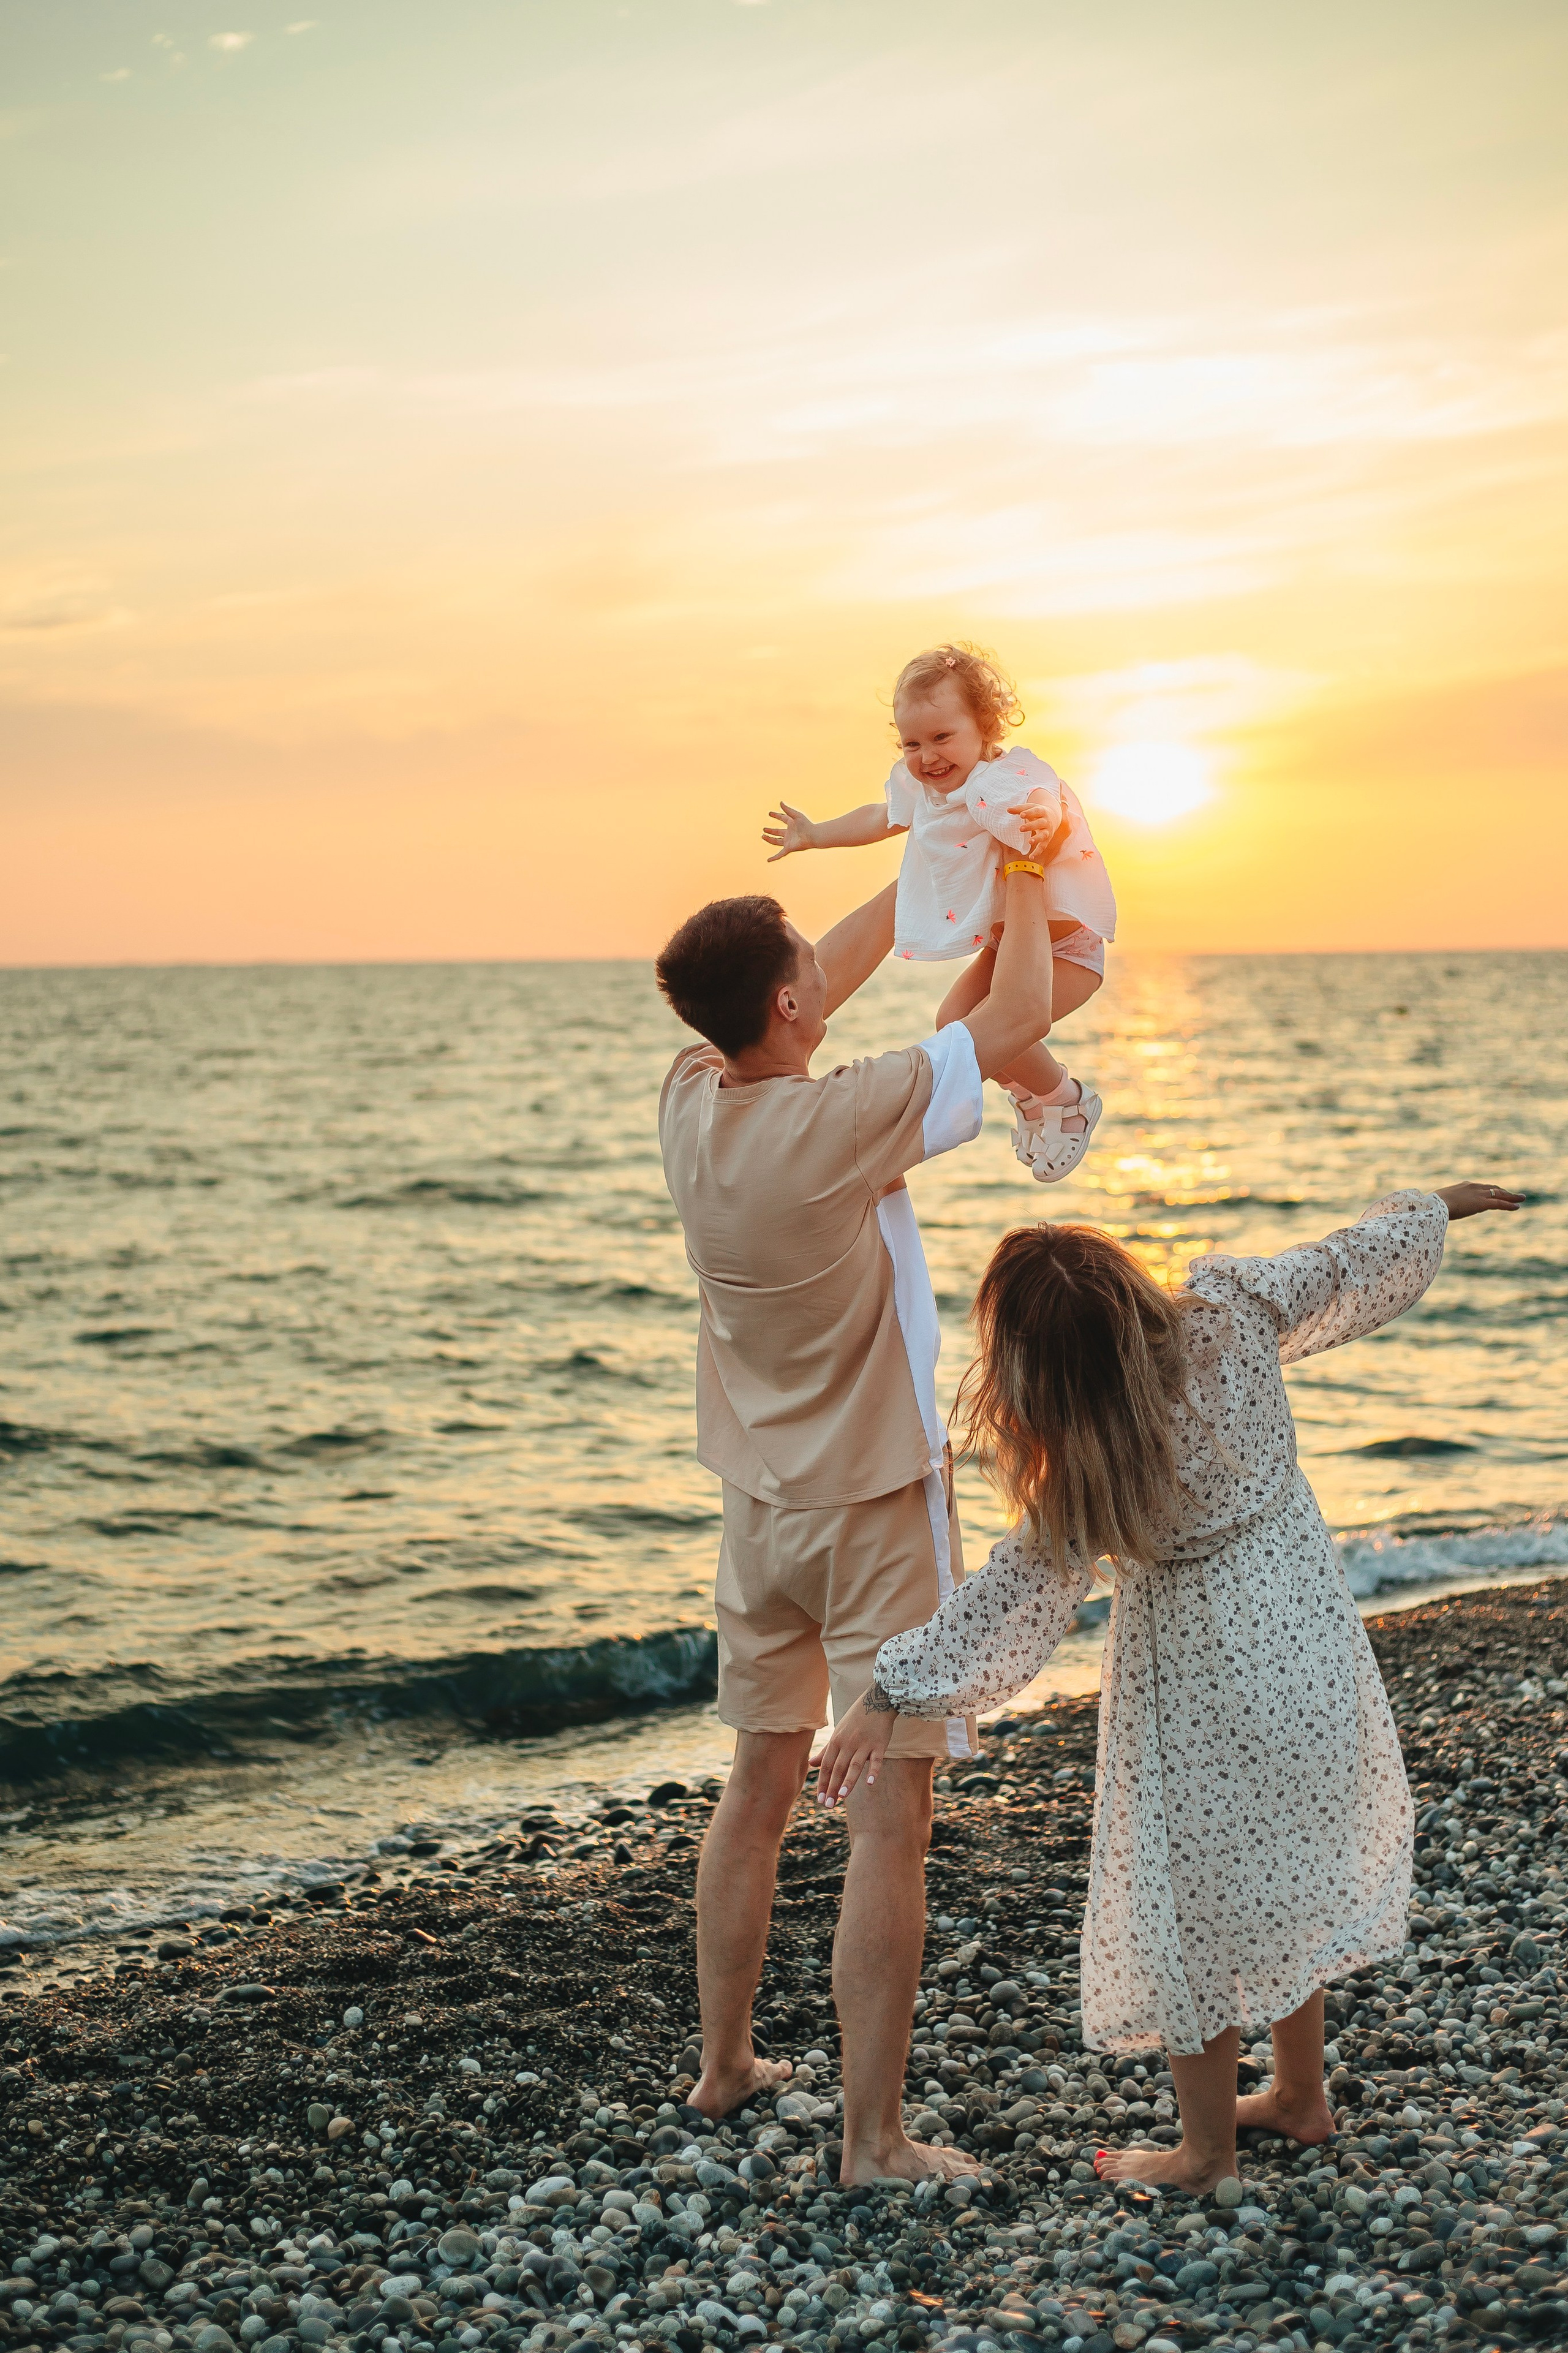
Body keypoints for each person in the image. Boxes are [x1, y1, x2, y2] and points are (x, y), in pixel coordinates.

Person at [816, 1180, 1525, 2191]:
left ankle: (1205, 2153)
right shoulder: (1233, 1311)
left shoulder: (1088, 1465)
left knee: (1197, 1914)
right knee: (1283, 1869)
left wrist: (888, 1688)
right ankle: (1299, 2097)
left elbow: (1007, 1599)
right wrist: (1436, 1206)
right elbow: (1343, 1262)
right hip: (1310, 1653)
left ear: (1039, 1373)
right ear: (1130, 1287)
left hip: (1197, 1699)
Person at [654, 822, 1070, 2186]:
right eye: (801, 977)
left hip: (758, 1510)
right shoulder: (839, 1119)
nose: (819, 980)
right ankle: (871, 2140)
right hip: (875, 1508)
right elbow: (1012, 1016)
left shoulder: (689, 1097)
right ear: (785, 1008)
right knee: (891, 1813)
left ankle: (724, 2066)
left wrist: (928, 855)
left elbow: (815, 972)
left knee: (759, 1779)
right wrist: (1015, 864)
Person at [762, 642, 1116, 1183]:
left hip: (1068, 948)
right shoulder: (924, 789)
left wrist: (1044, 819)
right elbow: (883, 816)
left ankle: (1066, 1098)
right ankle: (1033, 1092)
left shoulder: (1005, 776)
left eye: (943, 738)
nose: (927, 757)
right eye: (912, 743)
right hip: (1008, 944)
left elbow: (1046, 796)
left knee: (1005, 1028)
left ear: (986, 729)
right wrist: (817, 835)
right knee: (954, 1024)